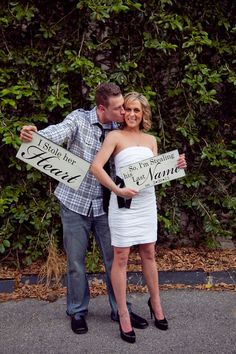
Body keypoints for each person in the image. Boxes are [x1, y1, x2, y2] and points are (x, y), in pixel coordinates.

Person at [19, 83, 148, 335]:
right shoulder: (78, 119)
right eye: (118, 108)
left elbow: (139, 154)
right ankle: (77, 311)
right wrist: (35, 135)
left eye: (124, 106)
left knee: (115, 260)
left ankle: (120, 308)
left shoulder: (120, 128)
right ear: (102, 108)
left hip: (107, 206)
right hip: (74, 203)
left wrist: (172, 165)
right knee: (76, 263)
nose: (124, 111)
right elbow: (58, 132)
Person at [91, 92, 187, 343]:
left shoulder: (151, 140)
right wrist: (116, 189)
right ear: (123, 112)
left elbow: (156, 172)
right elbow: (95, 167)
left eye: (137, 110)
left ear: (144, 113)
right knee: (121, 258)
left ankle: (156, 304)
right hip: (123, 203)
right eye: (128, 109)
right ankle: (123, 313)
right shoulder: (114, 136)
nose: (132, 114)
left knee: (149, 253)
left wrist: (176, 166)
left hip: (146, 203)